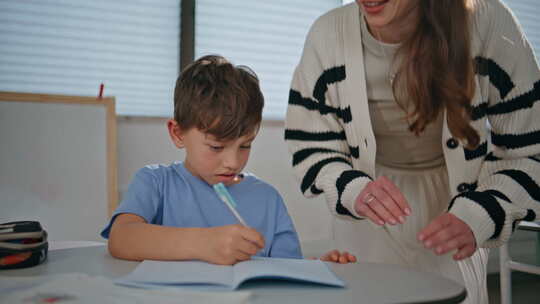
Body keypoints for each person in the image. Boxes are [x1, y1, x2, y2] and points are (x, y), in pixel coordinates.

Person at [285, 0, 540, 303]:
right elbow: (311, 146)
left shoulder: (489, 23)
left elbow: (531, 151)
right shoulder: (327, 34)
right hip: (366, 217)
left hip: (458, 218)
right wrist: (352, 189)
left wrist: (482, 212)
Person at [102, 55, 356, 265]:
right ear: (178, 133)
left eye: (245, 145)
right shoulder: (156, 183)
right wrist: (204, 244)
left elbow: (285, 271)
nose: (233, 162)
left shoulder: (267, 199)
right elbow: (121, 239)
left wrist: (315, 268)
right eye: (216, 147)